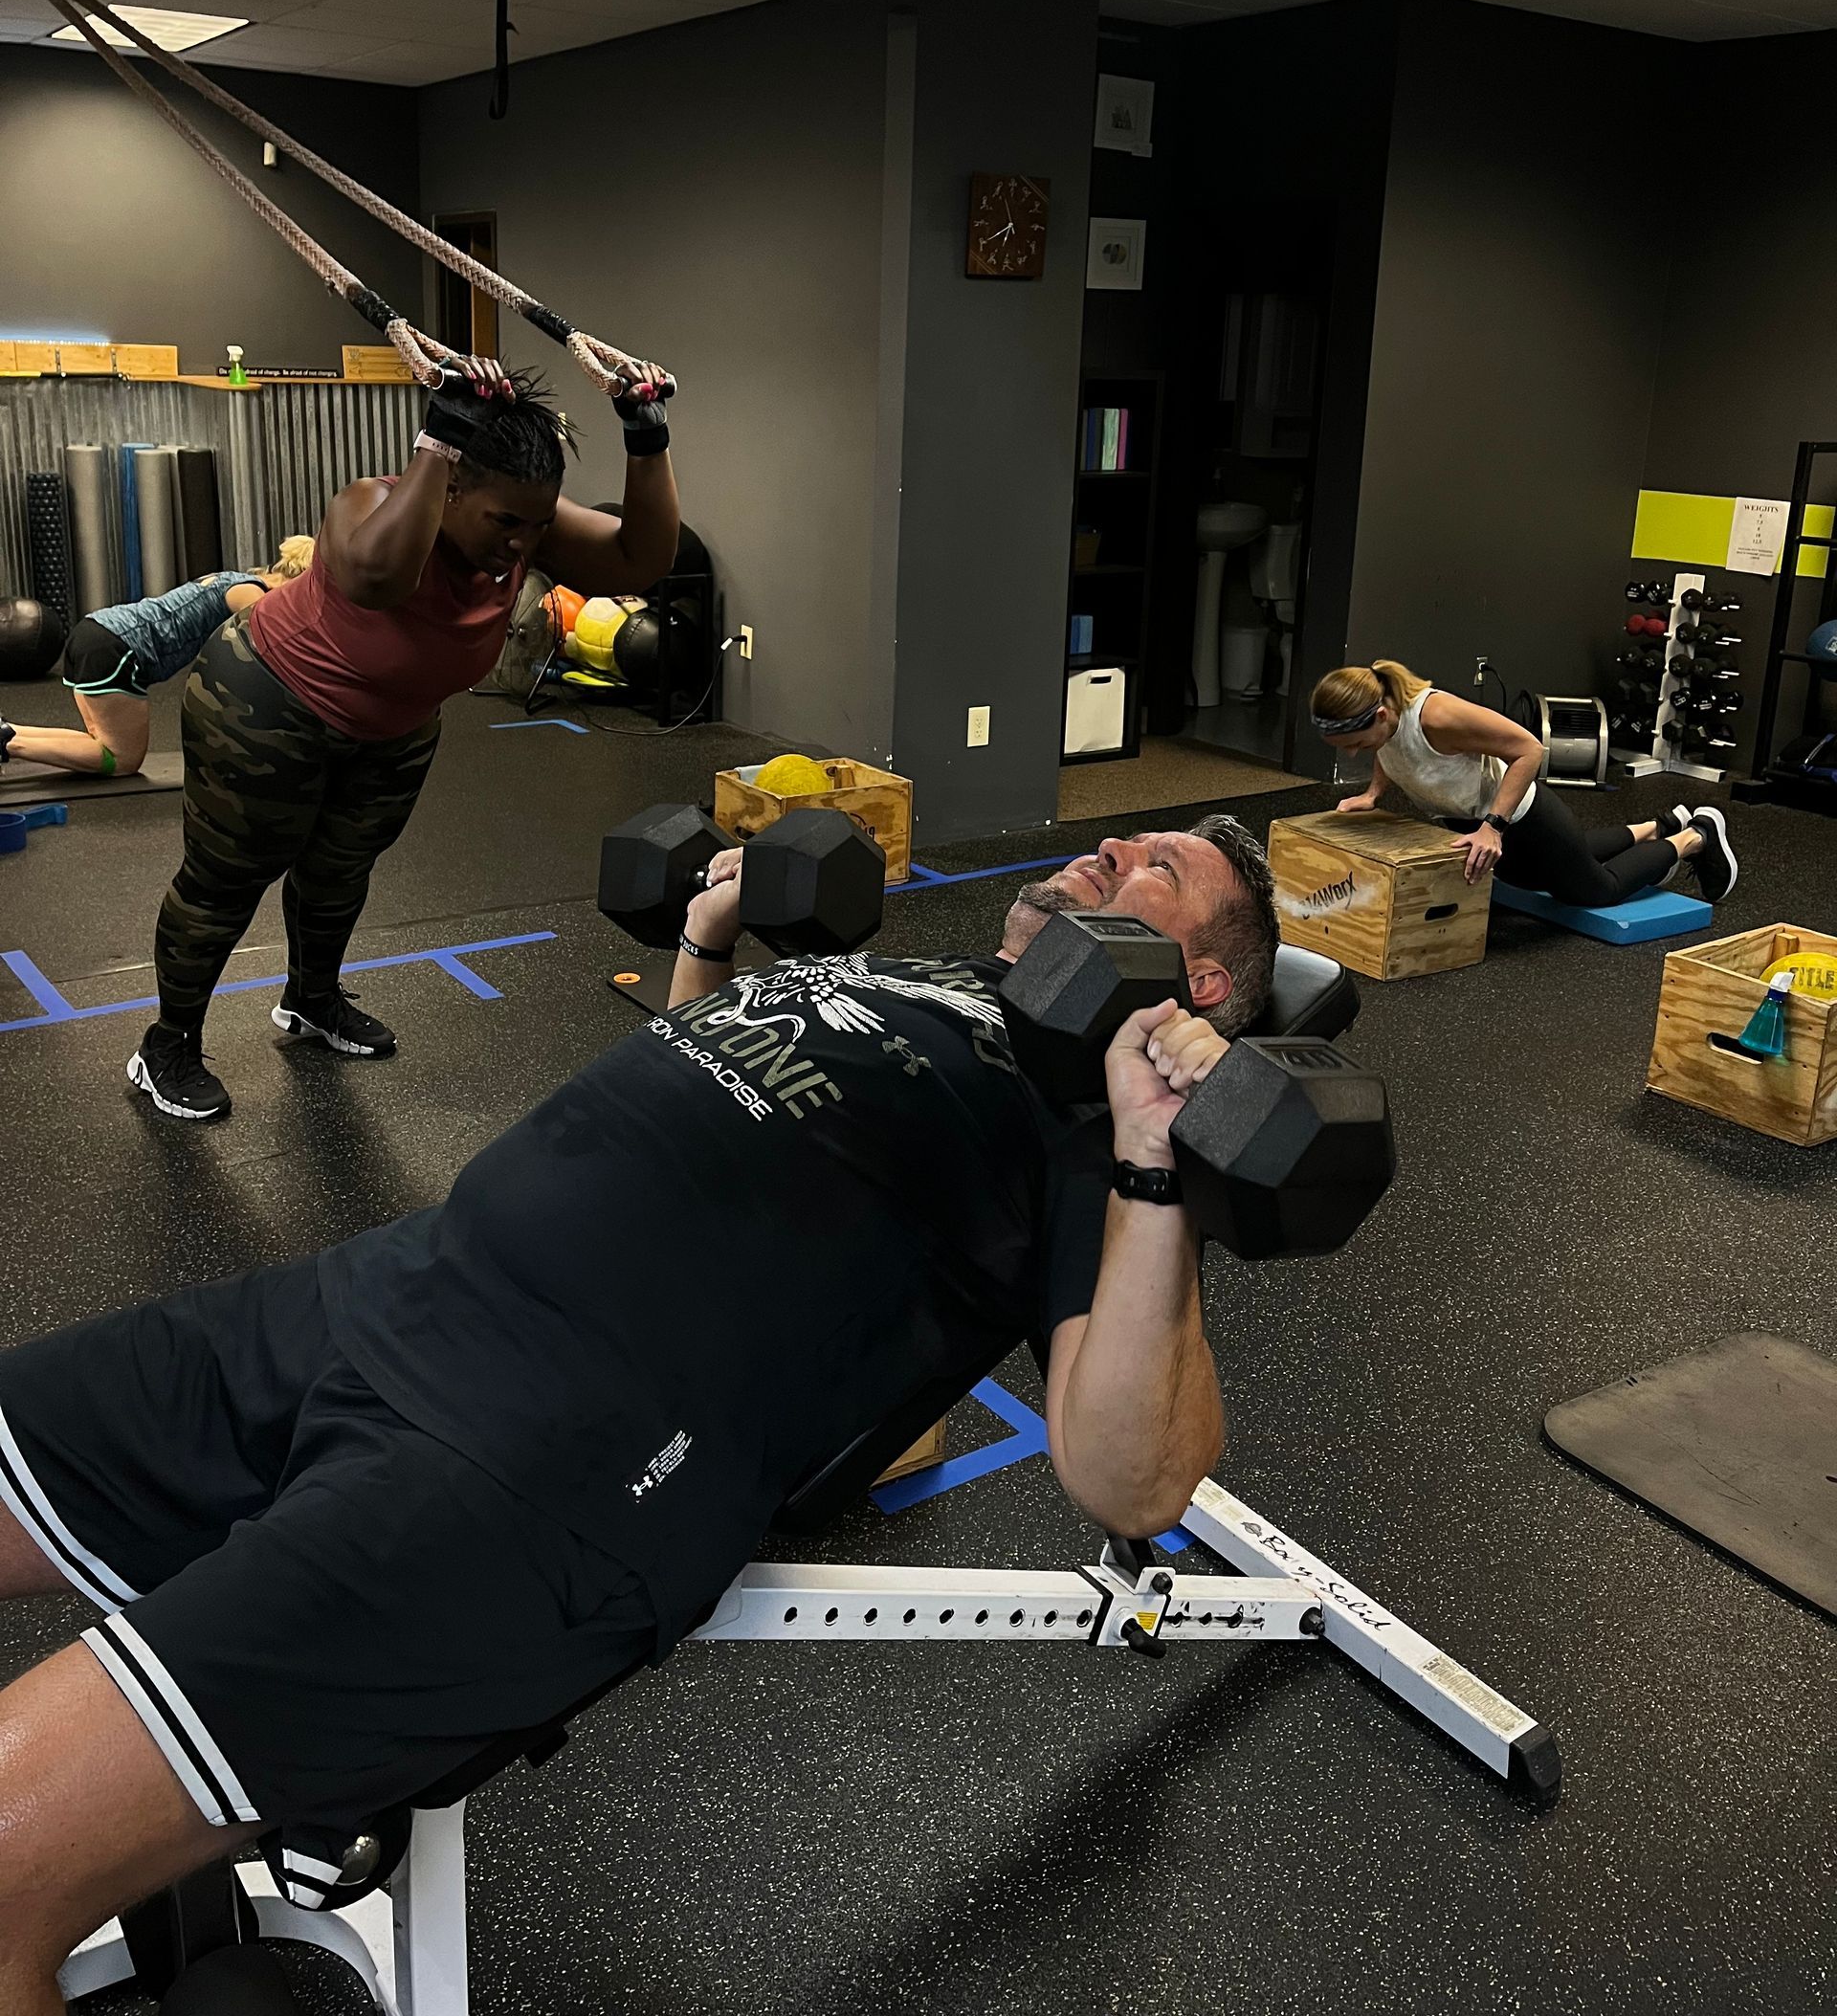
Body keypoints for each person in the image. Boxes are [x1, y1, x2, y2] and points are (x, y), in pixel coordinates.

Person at [0, 815, 1273, 2004]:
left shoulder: (1079, 1133)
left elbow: (1137, 1484)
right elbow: (726, 1083)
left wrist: (1155, 1152)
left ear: (1198, 986)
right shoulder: (935, 979)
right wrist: (705, 944)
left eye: (1156, 868)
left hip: (541, 1461)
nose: (1111, 844)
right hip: (377, 1295)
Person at [126, 357, 680, 1126]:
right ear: (450, 486)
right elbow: (375, 580)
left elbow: (642, 562)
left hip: (391, 726)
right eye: (504, 523)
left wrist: (645, 438)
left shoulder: (520, 521)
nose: (519, 544)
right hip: (266, 699)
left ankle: (312, 1002)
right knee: (226, 884)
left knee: (340, 872)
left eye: (537, 525)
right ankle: (168, 1045)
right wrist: (442, 434)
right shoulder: (370, 501)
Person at [1310, 659, 1737, 904]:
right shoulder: (1385, 717)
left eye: (1356, 743)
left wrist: (1494, 827)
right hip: (1472, 822)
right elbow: (1391, 749)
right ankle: (1657, 827)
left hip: (1521, 816)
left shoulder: (1437, 716)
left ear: (1380, 715)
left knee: (1593, 890)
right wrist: (1373, 792)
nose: (1353, 752)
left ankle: (1695, 837)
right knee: (1547, 873)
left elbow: (1529, 749)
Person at [0, 539, 315, 778]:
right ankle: (8, 744)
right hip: (117, 648)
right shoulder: (251, 594)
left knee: (99, 740)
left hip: (97, 632)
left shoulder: (235, 578)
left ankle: (7, 730)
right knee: (121, 759)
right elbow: (273, 650)